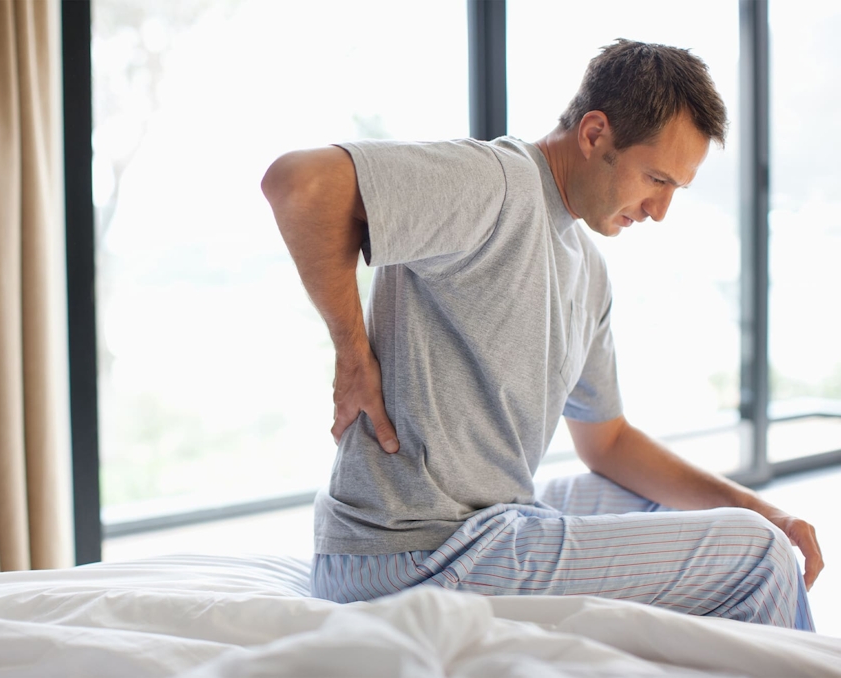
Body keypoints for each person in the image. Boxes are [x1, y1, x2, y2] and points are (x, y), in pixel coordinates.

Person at [261, 39, 823, 630]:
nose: (659, 210)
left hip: (491, 522)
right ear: (594, 133)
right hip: (411, 554)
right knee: (757, 559)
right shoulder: (497, 184)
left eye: (674, 189)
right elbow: (300, 184)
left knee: (713, 519)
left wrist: (768, 513)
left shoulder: (588, 265)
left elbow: (605, 443)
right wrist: (353, 353)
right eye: (655, 178)